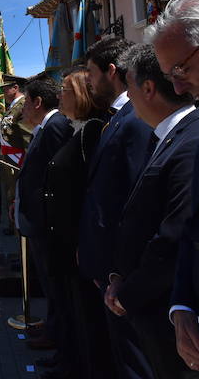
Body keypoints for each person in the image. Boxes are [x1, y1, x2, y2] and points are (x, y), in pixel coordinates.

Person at [104, 43, 199, 378]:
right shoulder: (169, 134)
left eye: (129, 89)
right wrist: (118, 274)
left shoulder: (192, 138)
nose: (128, 101)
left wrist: (129, 293)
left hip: (167, 307)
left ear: (148, 88)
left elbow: (175, 232)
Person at [149, 0, 199, 376]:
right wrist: (181, 309)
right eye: (170, 77)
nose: (178, 90)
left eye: (182, 69)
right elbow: (195, 228)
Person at [77, 37, 155, 378]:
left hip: (122, 272)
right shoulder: (118, 116)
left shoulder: (135, 119)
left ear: (112, 71)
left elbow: (136, 200)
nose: (89, 82)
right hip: (107, 269)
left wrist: (117, 270)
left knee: (133, 361)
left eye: (91, 73)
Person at [41, 67, 111, 378]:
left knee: (86, 317)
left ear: (81, 95)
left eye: (65, 91)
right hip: (65, 241)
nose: (59, 97)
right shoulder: (76, 129)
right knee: (72, 311)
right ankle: (68, 362)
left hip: (76, 244)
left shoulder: (92, 131)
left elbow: (92, 192)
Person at [15, 79, 74, 359]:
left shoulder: (56, 127)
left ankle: (60, 339)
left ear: (38, 102)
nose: (23, 110)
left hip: (48, 224)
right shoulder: (45, 128)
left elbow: (58, 179)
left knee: (56, 285)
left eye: (26, 103)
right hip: (40, 222)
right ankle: (53, 328)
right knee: (50, 284)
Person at [0, 75, 32, 234]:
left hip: (17, 158)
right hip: (8, 158)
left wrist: (26, 160)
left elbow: (26, 135)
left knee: (16, 193)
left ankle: (19, 229)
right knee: (10, 191)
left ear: (16, 87)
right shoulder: (12, 107)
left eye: (6, 88)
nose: (3, 91)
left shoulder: (23, 105)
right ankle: (13, 226)